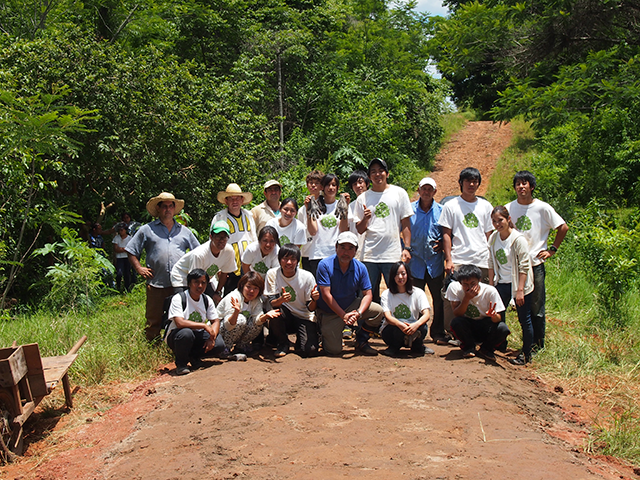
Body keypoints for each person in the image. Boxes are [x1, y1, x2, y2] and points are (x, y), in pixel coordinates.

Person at [506, 170, 568, 352]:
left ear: (531, 187)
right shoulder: (509, 207)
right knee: (519, 306)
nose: (521, 187)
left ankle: (538, 345)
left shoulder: (542, 208)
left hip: (535, 263)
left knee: (536, 305)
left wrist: (552, 249)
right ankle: (523, 343)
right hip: (515, 265)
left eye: (525, 184)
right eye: (518, 184)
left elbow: (563, 227)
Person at [126, 192, 200, 341]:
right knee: (154, 317)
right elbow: (131, 250)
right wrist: (139, 268)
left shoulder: (184, 231)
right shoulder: (147, 230)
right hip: (156, 282)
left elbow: (198, 252)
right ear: (158, 209)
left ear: (174, 209)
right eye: (164, 206)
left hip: (179, 283)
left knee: (179, 315)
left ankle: (177, 343)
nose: (168, 209)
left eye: (170, 206)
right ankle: (153, 345)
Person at [353, 158, 413, 303]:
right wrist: (366, 219)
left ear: (387, 173)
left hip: (392, 254)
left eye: (381, 171)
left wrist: (407, 247)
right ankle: (366, 325)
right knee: (367, 294)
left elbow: (405, 223)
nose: (377, 174)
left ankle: (397, 324)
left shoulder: (399, 193)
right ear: (369, 177)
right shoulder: (363, 198)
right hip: (369, 255)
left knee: (397, 292)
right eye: (373, 172)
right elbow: (359, 230)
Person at [316, 231, 384, 356]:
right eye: (342, 247)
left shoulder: (360, 267)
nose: (346, 252)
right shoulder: (324, 265)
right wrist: (343, 315)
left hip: (351, 305)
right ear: (336, 248)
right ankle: (321, 332)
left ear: (355, 250)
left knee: (378, 311)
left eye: (350, 248)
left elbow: (368, 294)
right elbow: (326, 295)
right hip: (330, 311)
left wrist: (358, 313)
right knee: (334, 350)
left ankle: (361, 339)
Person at [488, 206, 534, 365]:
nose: (497, 224)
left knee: (524, 319)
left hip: (518, 285)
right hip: (501, 283)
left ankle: (527, 354)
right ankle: (499, 344)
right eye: (494, 221)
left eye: (500, 220)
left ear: (508, 219)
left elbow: (524, 266)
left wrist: (520, 291)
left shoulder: (517, 240)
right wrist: (491, 284)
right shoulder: (493, 238)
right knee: (497, 315)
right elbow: (490, 263)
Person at [264, 244, 320, 358]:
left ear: (297, 261)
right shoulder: (272, 274)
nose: (288, 262)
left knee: (310, 351)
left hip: (303, 316)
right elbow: (272, 303)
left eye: (293, 259)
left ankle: (305, 337)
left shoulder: (307, 277)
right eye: (285, 258)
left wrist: (315, 300)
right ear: (279, 260)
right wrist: (281, 300)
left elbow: (310, 308)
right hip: (285, 316)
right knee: (275, 313)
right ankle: (282, 343)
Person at [408, 177, 446, 344]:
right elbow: (402, 229)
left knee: (439, 299)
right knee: (415, 299)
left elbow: (448, 233)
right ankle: (416, 331)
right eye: (424, 188)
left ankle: (437, 332)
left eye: (430, 189)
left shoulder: (442, 211)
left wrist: (443, 244)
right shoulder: (409, 210)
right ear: (418, 190)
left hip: (435, 263)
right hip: (415, 262)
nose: (426, 192)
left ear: (435, 192)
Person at [165, 269, 223, 375]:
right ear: (189, 283)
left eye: (203, 283)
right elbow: (179, 323)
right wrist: (204, 326)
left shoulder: (207, 299)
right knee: (186, 333)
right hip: (178, 335)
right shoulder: (179, 298)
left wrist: (212, 337)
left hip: (197, 335)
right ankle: (181, 364)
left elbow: (215, 320)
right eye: (196, 282)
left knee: (219, 344)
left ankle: (194, 357)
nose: (200, 286)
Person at [447, 265, 509, 361]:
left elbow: (498, 319)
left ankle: (486, 349)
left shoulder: (490, 291)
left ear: (479, 280)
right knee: (456, 322)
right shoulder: (456, 290)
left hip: (486, 324)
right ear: (460, 283)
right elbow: (457, 314)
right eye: (465, 284)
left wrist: (493, 316)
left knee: (503, 328)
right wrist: (466, 299)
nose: (469, 287)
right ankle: (468, 347)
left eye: (473, 284)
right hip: (469, 325)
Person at [217, 271, 281, 359]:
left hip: (236, 329)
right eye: (248, 287)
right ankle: (225, 348)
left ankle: (241, 346)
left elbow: (257, 320)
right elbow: (228, 326)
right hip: (220, 331)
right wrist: (236, 312)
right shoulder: (233, 297)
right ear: (242, 286)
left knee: (257, 323)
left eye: (255, 288)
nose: (251, 291)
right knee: (241, 319)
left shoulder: (256, 300)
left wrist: (266, 316)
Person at [170, 221, 237, 302]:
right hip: (183, 277)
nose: (222, 240)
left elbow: (224, 273)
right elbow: (194, 279)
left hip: (204, 279)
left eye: (225, 237)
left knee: (209, 302)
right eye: (218, 237)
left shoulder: (228, 251)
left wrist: (217, 292)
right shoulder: (199, 254)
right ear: (211, 237)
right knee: (185, 303)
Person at [211, 183, 258, 294]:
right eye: (231, 199)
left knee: (248, 295)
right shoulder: (219, 217)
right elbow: (213, 243)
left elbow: (254, 239)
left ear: (242, 200)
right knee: (229, 296)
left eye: (237, 198)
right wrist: (218, 267)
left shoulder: (249, 215)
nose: (235, 201)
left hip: (248, 265)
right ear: (226, 201)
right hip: (229, 266)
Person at [380, 262, 433, 357]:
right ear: (392, 276)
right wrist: (401, 325)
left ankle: (417, 346)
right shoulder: (386, 294)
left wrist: (416, 325)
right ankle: (394, 347)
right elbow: (388, 317)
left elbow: (427, 314)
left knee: (423, 328)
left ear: (408, 275)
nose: (400, 277)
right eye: (397, 274)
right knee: (395, 330)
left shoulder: (418, 293)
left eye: (403, 274)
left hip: (413, 327)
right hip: (393, 328)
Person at [304, 174, 349, 277]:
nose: (331, 188)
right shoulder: (315, 205)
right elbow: (313, 231)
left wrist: (345, 209)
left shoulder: (340, 205)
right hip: (317, 254)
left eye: (334, 185)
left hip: (336, 254)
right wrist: (308, 210)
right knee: (319, 290)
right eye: (328, 185)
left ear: (338, 188)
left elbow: (343, 230)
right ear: (322, 187)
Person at [297, 170, 324, 272]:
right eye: (310, 183)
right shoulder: (301, 210)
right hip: (307, 252)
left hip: (322, 252)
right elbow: (300, 231)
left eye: (317, 183)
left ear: (322, 186)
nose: (313, 186)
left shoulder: (326, 205)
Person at [346, 170, 370, 259]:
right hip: (355, 250)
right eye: (354, 184)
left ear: (367, 183)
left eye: (360, 182)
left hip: (372, 249)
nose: (358, 186)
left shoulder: (374, 203)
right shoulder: (350, 206)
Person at [112, 222, 134, 292]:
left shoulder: (130, 238)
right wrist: (125, 249)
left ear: (125, 230)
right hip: (119, 258)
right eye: (119, 230)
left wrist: (121, 249)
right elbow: (116, 249)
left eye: (122, 230)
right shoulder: (116, 238)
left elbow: (130, 249)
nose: (121, 232)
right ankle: (118, 286)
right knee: (119, 273)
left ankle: (127, 288)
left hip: (127, 258)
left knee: (127, 273)